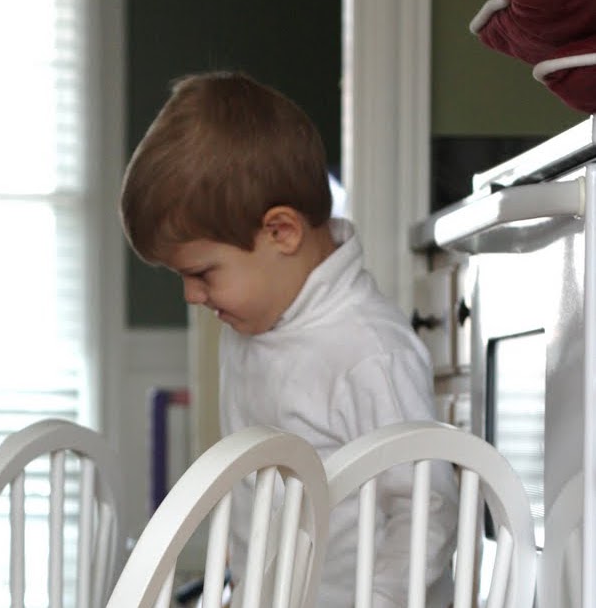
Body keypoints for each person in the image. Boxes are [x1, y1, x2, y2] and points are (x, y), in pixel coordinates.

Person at [120, 70, 459, 607]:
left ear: (281, 232)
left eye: (202, 273)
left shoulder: (369, 350)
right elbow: (258, 496)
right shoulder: (251, 327)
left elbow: (426, 510)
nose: (191, 296)